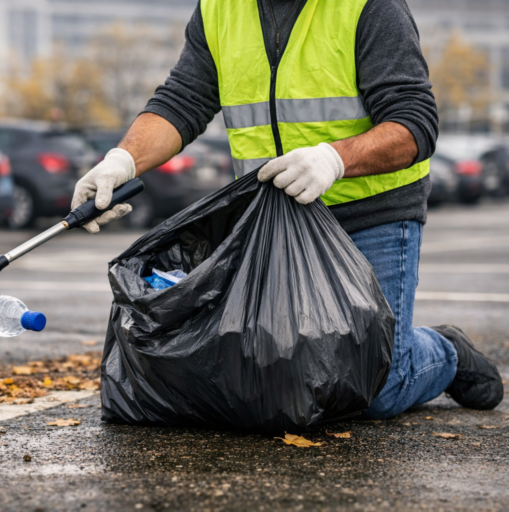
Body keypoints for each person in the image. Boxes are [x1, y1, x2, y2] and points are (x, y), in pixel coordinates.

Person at [72, 0, 503, 417]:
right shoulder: (219, 8)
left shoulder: (370, 5)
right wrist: (122, 161)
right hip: (274, 216)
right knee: (275, 358)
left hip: (370, 213)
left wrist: (334, 159)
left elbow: (414, 122)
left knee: (375, 385)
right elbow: (183, 100)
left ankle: (445, 352)